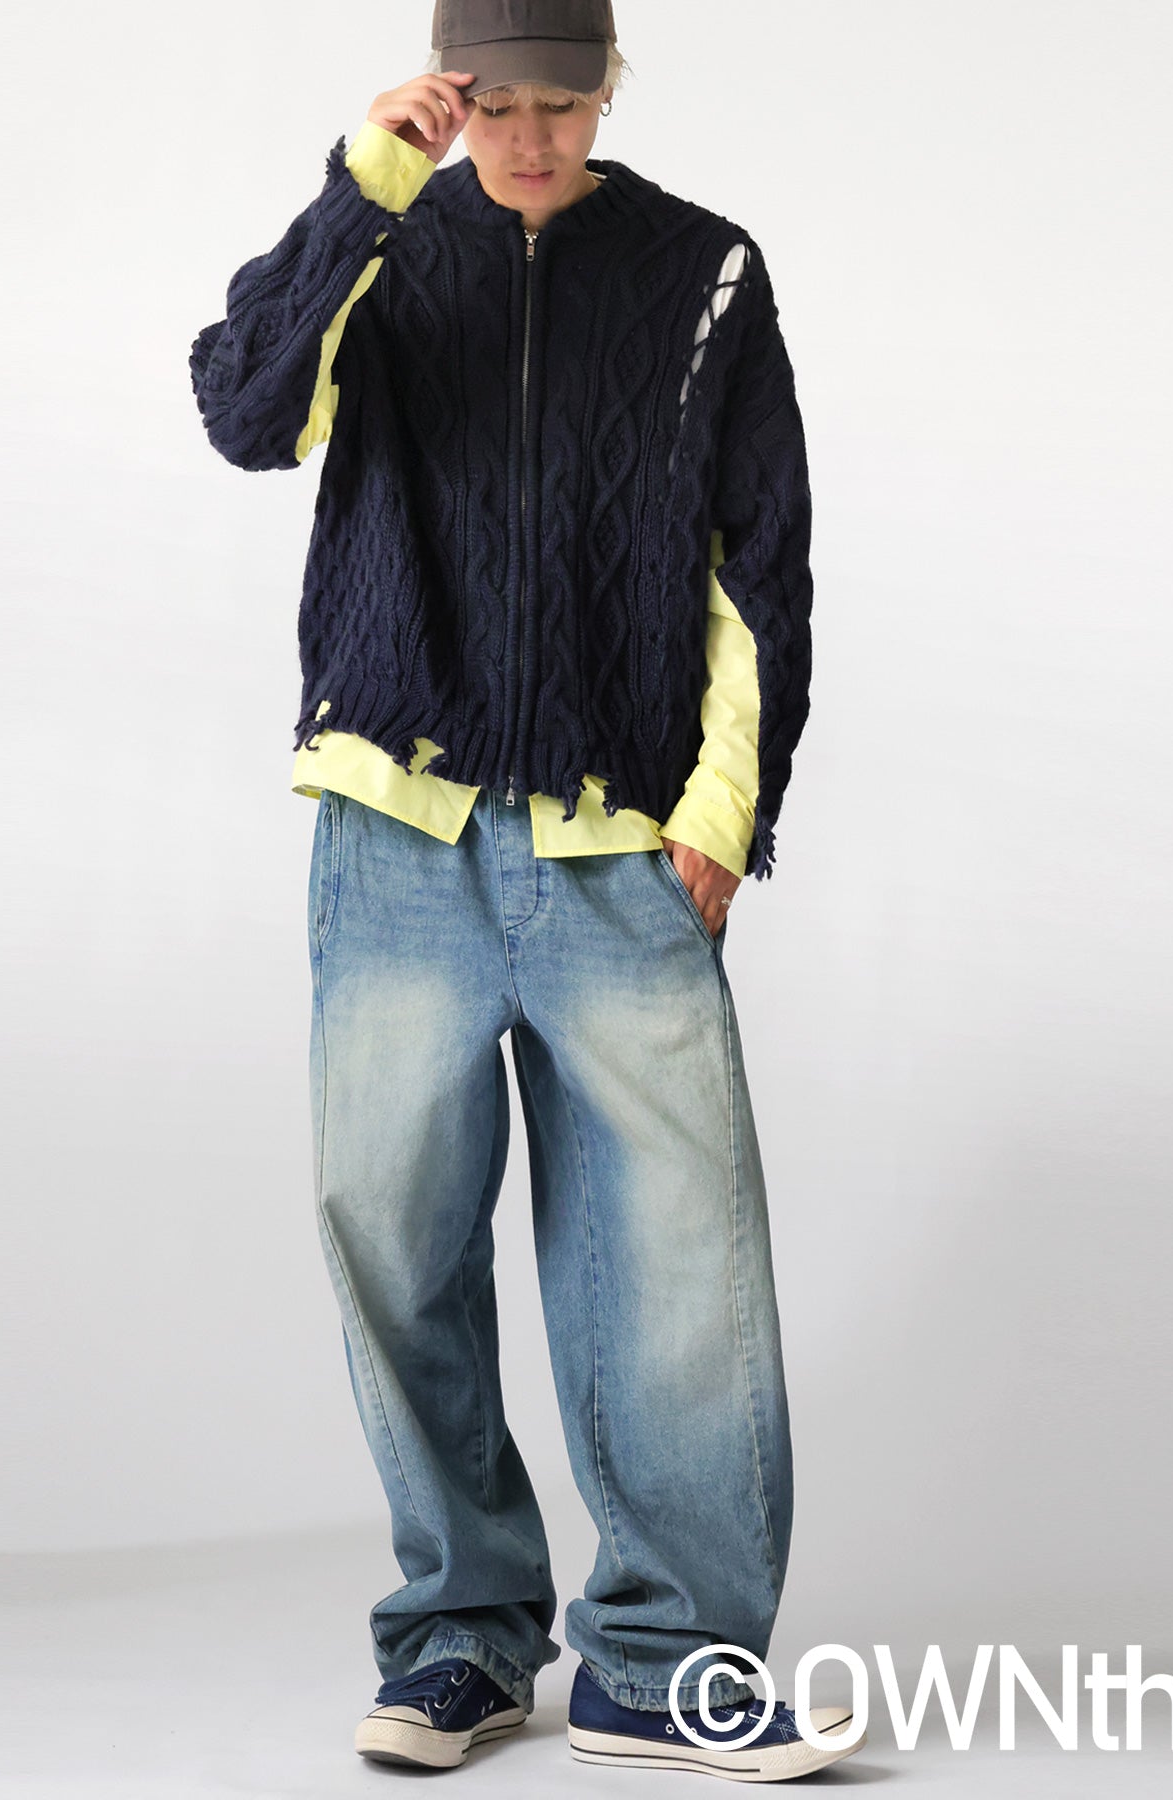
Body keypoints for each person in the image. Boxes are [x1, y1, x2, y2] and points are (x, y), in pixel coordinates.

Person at [189, 0, 859, 1780]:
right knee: (394, 1239)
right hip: (395, 837)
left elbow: (763, 556)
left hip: (620, 845)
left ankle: (669, 1663)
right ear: (446, 91)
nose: (533, 137)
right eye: (496, 103)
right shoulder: (384, 238)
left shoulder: (708, 273)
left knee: (680, 1263)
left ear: (611, 88)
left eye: (565, 101)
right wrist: (366, 183)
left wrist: (720, 812)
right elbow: (247, 413)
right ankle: (463, 1638)